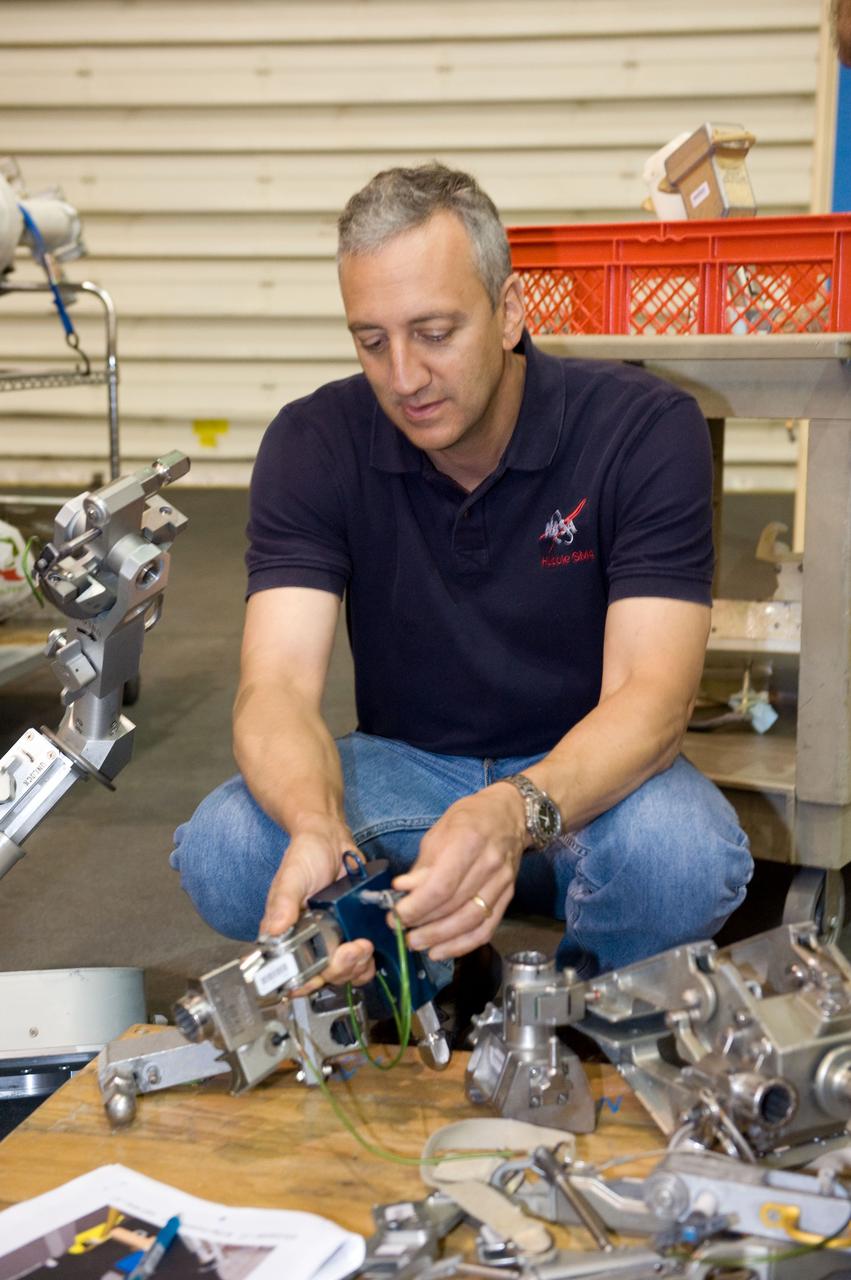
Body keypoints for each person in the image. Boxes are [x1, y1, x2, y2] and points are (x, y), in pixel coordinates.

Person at [171, 163, 752, 994]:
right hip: (406, 773)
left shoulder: (641, 429)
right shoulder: (314, 441)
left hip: (584, 781)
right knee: (226, 849)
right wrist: (315, 825)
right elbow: (275, 690)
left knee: (682, 858)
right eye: (372, 341)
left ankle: (580, 1008)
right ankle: (426, 983)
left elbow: (653, 702)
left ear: (510, 312)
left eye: (434, 332)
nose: (403, 377)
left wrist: (512, 811)